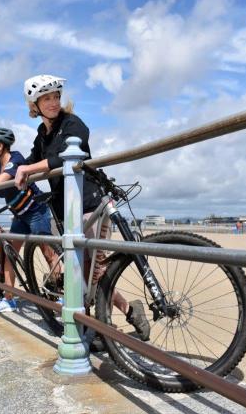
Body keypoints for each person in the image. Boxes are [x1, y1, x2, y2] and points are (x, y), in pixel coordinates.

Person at [14, 74, 149, 342]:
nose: (53, 103)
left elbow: (60, 157)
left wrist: (28, 169)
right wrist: (13, 173)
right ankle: (121, 313)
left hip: (89, 203)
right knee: (82, 275)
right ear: (35, 105)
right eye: (46, 98)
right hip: (67, 210)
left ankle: (101, 328)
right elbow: (34, 157)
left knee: (95, 272)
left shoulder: (73, 124)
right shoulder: (43, 133)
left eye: (55, 97)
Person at [0, 127, 58, 313]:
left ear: (0, 146)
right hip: (19, 215)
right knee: (9, 255)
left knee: (49, 254)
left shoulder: (16, 159)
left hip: (37, 211)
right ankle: (9, 299)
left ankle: (63, 296)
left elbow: (1, 179)